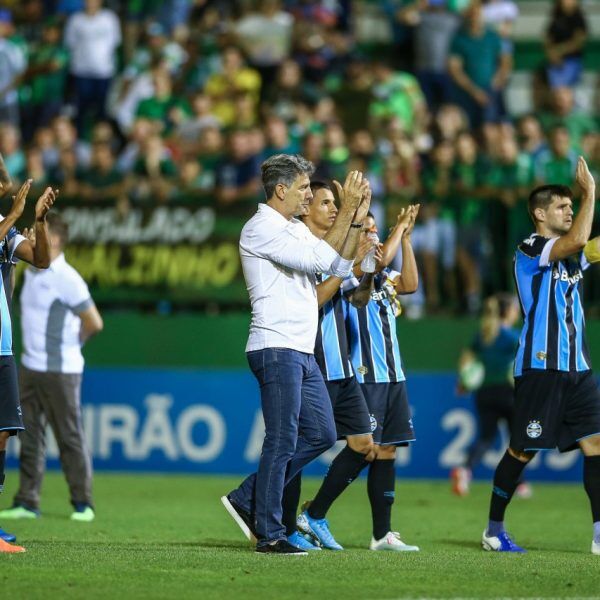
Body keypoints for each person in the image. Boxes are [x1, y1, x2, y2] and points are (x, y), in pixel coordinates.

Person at [221, 156, 371, 555]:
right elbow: (325, 261)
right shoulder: (261, 229)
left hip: (300, 350)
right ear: (281, 190)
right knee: (282, 439)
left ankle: (248, 495)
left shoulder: (290, 228)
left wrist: (356, 219)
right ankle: (270, 533)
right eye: (304, 188)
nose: (310, 193)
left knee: (321, 433)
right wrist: (351, 217)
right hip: (275, 345)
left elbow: (338, 262)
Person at [481, 157, 600, 555]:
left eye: (572, 206)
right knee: (522, 449)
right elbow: (580, 241)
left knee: (597, 445)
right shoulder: (531, 247)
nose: (570, 210)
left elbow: (591, 247)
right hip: (541, 366)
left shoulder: (570, 256)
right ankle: (494, 529)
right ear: (539, 213)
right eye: (562, 206)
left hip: (578, 368)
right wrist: (591, 192)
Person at [279, 181, 380, 551]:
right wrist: (348, 265)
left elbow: (359, 297)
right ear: (306, 210)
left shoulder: (336, 249)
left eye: (336, 203)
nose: (333, 208)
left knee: (364, 446)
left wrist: (366, 268)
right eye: (325, 202)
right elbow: (315, 300)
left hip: (343, 368)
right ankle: (285, 527)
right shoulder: (304, 252)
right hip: (314, 365)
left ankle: (315, 513)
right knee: (300, 447)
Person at [0, 212, 103, 523]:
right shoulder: (32, 273)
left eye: (39, 230)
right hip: (30, 366)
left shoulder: (68, 278)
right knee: (30, 437)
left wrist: (71, 346)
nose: (31, 233)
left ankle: (83, 502)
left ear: (54, 238)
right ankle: (28, 500)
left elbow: (93, 322)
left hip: (61, 369)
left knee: (69, 437)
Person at [330, 209, 421, 551]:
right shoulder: (350, 275)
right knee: (365, 450)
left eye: (376, 230)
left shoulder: (385, 277)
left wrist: (407, 239)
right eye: (366, 231)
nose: (374, 236)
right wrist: (399, 228)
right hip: (366, 374)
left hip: (393, 374)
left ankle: (382, 534)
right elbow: (374, 267)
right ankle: (316, 511)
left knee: (387, 451)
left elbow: (411, 285)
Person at [0, 156, 58, 553]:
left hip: (2, 346)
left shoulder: (4, 233)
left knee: (3, 432)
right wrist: (14, 214)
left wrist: (36, 220)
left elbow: (41, 260)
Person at [451, 293, 531, 498]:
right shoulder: (514, 337)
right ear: (508, 312)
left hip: (484, 393)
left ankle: (465, 469)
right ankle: (518, 483)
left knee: (486, 437)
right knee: (518, 440)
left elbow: (466, 359)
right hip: (508, 393)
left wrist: (463, 382)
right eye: (514, 308)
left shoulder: (484, 334)